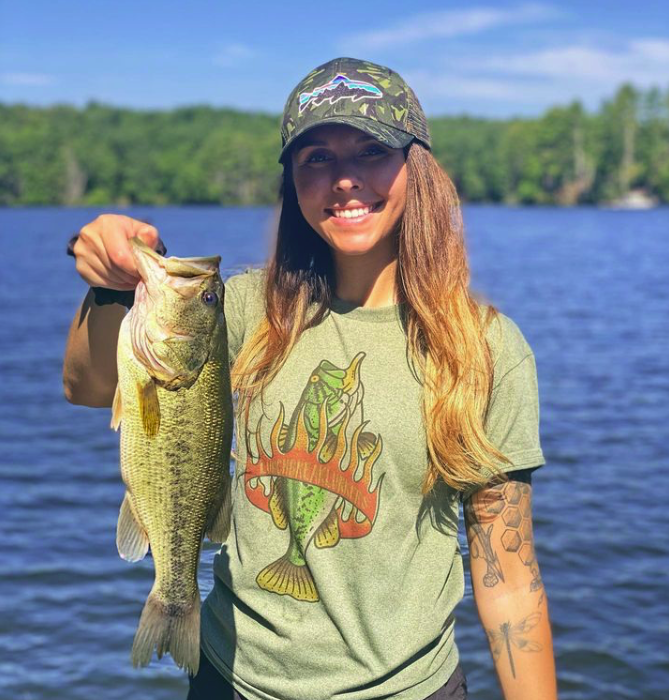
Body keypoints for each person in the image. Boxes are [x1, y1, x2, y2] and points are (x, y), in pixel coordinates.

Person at [63, 57, 557, 700]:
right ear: (293, 182)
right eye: (317, 157)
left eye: (372, 150)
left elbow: (510, 581)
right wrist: (111, 280)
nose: (345, 178)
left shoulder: (485, 349)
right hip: (230, 680)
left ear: (417, 168)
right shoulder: (244, 309)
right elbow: (88, 387)